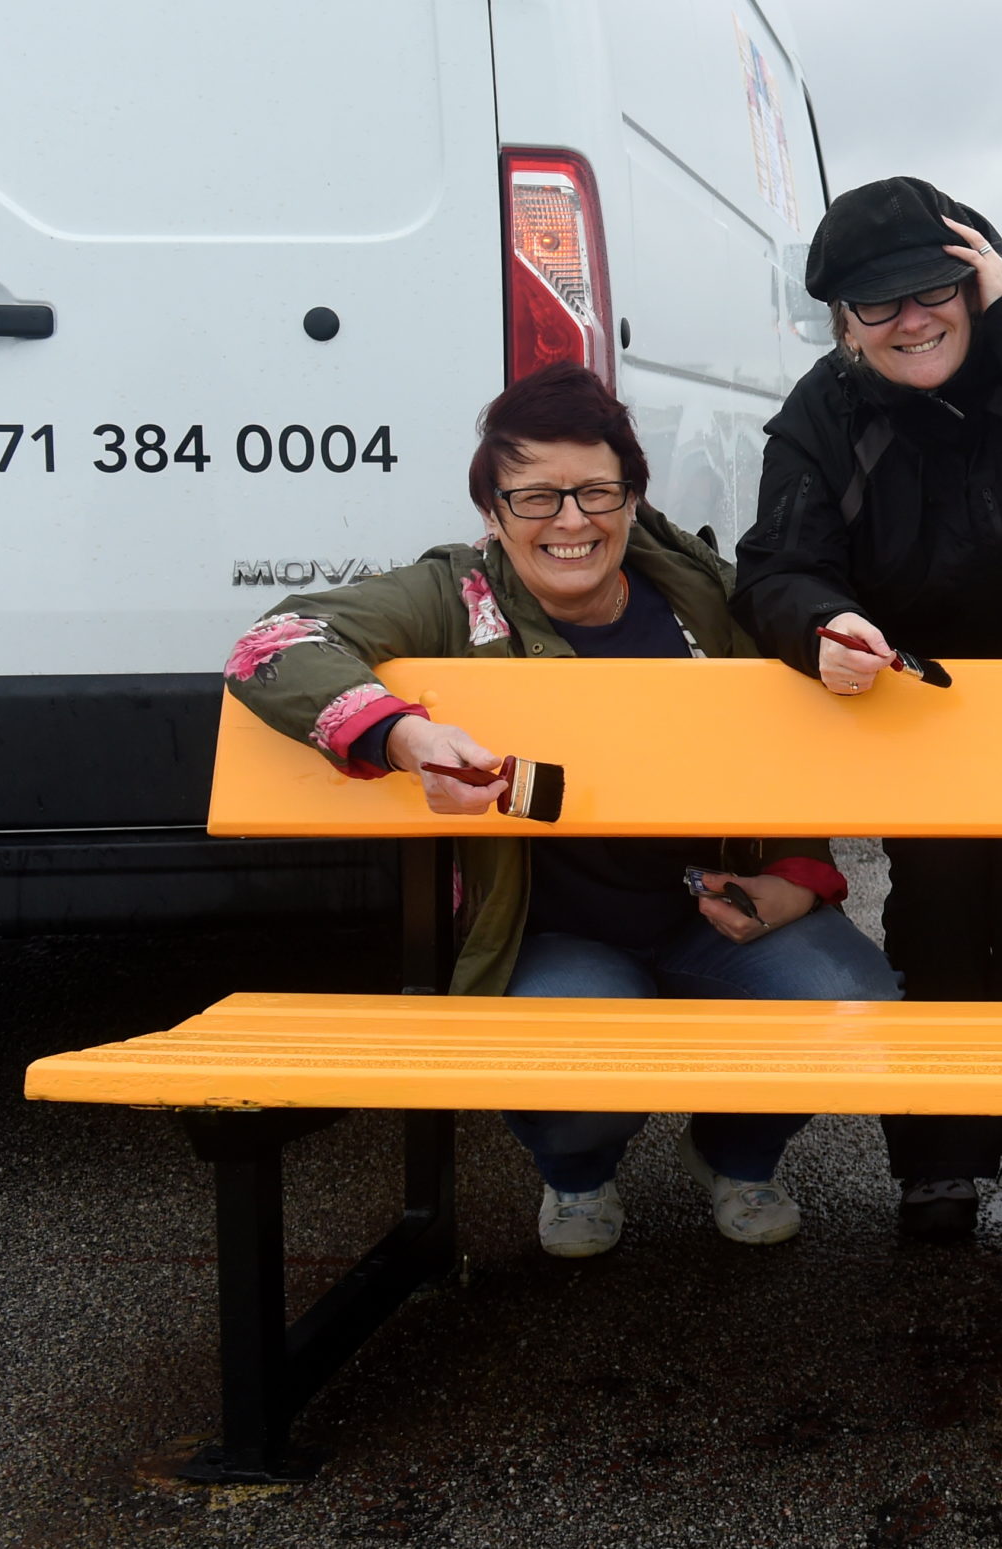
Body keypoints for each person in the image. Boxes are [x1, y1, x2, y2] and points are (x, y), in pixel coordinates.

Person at [222, 363, 900, 1259]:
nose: (572, 521)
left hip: (711, 912)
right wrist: (400, 737)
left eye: (596, 491)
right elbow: (274, 640)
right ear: (494, 512)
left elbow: (783, 749)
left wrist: (797, 881)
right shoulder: (453, 597)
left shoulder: (697, 590)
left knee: (849, 1000)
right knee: (578, 1061)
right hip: (552, 936)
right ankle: (578, 1174)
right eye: (536, 497)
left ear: (632, 497)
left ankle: (735, 1151)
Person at [732, 176, 1002, 1240]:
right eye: (877, 305)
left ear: (980, 282)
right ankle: (937, 1155)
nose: (910, 320)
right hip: (915, 699)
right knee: (932, 910)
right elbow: (775, 566)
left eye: (936, 289)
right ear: (842, 321)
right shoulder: (823, 413)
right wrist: (822, 622)